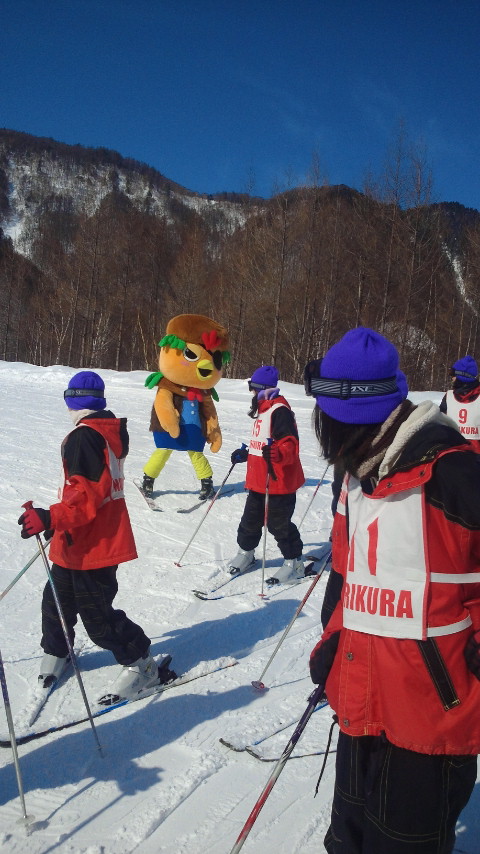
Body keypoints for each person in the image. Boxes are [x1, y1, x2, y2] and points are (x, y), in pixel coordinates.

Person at [305, 327, 480, 854]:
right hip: (361, 703)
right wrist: (332, 641)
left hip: (431, 720)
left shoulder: (455, 475)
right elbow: (350, 574)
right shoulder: (355, 476)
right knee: (348, 842)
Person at [18, 371, 176, 700]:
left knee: (98, 616)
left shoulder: (85, 437)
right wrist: (55, 522)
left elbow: (85, 498)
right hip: (76, 539)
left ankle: (141, 663)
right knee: (56, 602)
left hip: (95, 546)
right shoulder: (99, 433)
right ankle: (58, 650)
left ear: (72, 399)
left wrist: (50, 515)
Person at [228, 365, 305, 584]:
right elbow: (262, 442)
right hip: (258, 481)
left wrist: (278, 452)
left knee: (278, 524)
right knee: (250, 520)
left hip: (278, 481)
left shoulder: (280, 410)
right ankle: (246, 553)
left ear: (262, 388)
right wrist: (247, 453)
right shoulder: (264, 408)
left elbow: (290, 445)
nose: (251, 392)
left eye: (253, 388)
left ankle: (294, 562)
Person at [439, 355, 480, 452]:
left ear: (461, 376)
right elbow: (440, 424)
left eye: (453, 374)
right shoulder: (448, 396)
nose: (452, 378)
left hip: (475, 459)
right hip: (452, 455)